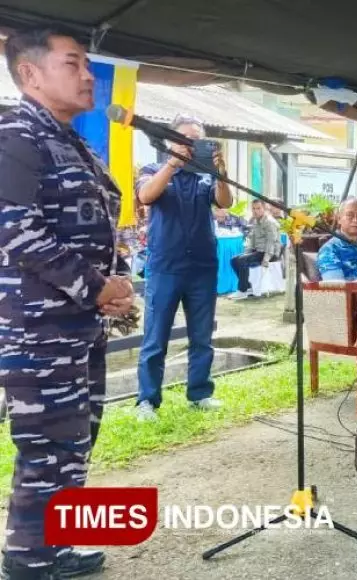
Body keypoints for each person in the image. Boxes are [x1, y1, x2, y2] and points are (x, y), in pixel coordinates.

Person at [0, 28, 136, 579]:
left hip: (79, 325)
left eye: (88, 64)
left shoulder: (72, 139)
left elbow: (97, 226)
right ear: (31, 73)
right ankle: (28, 560)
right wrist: (94, 286)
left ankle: (55, 545)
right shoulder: (15, 131)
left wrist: (117, 280)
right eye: (73, 63)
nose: (88, 76)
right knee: (46, 446)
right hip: (38, 327)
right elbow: (13, 225)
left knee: (75, 441)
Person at [134, 113, 233, 421]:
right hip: (165, 265)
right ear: (170, 142)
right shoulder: (153, 169)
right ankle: (147, 400)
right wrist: (173, 165)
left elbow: (225, 202)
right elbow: (146, 195)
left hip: (202, 266)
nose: (191, 145)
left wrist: (220, 173)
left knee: (201, 336)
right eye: (184, 139)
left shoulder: (205, 175)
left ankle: (200, 392)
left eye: (197, 140)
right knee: (155, 336)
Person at [315, 199, 357, 281]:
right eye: (350, 215)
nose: (356, 220)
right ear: (339, 219)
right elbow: (336, 287)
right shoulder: (329, 250)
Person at [229, 199, 282, 299]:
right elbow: (252, 239)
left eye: (258, 208)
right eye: (253, 208)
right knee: (234, 260)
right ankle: (248, 287)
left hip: (270, 253)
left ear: (264, 209)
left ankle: (242, 290)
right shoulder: (256, 221)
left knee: (242, 261)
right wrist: (247, 252)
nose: (255, 211)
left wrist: (266, 259)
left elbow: (271, 242)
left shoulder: (269, 222)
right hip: (259, 251)